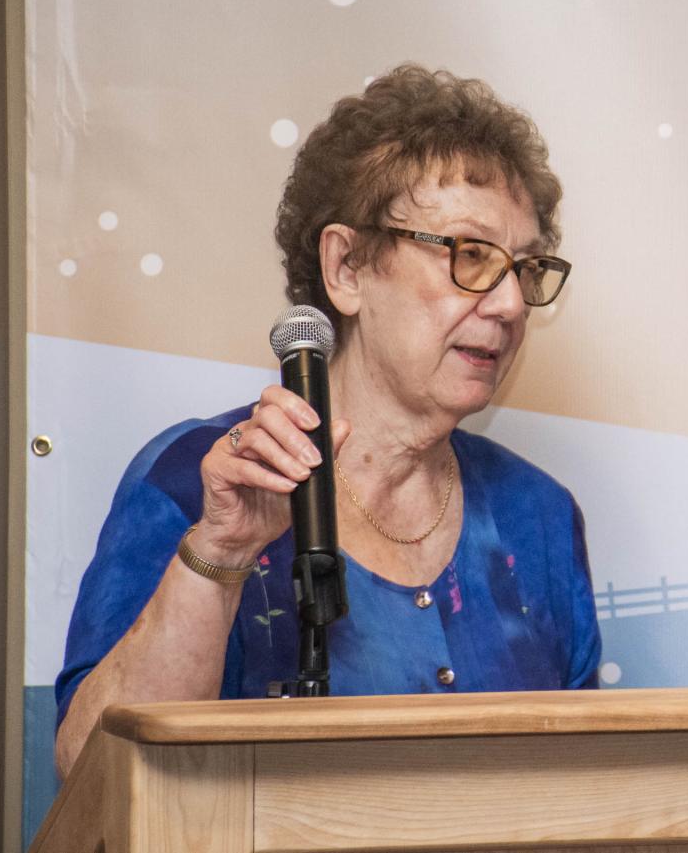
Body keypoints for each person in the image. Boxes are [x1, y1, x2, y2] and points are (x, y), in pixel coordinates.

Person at [55, 65, 600, 774]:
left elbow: (590, 778)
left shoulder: (540, 515)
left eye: (526, 268)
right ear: (346, 267)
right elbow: (89, 768)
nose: (509, 305)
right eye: (470, 255)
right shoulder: (203, 478)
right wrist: (218, 554)